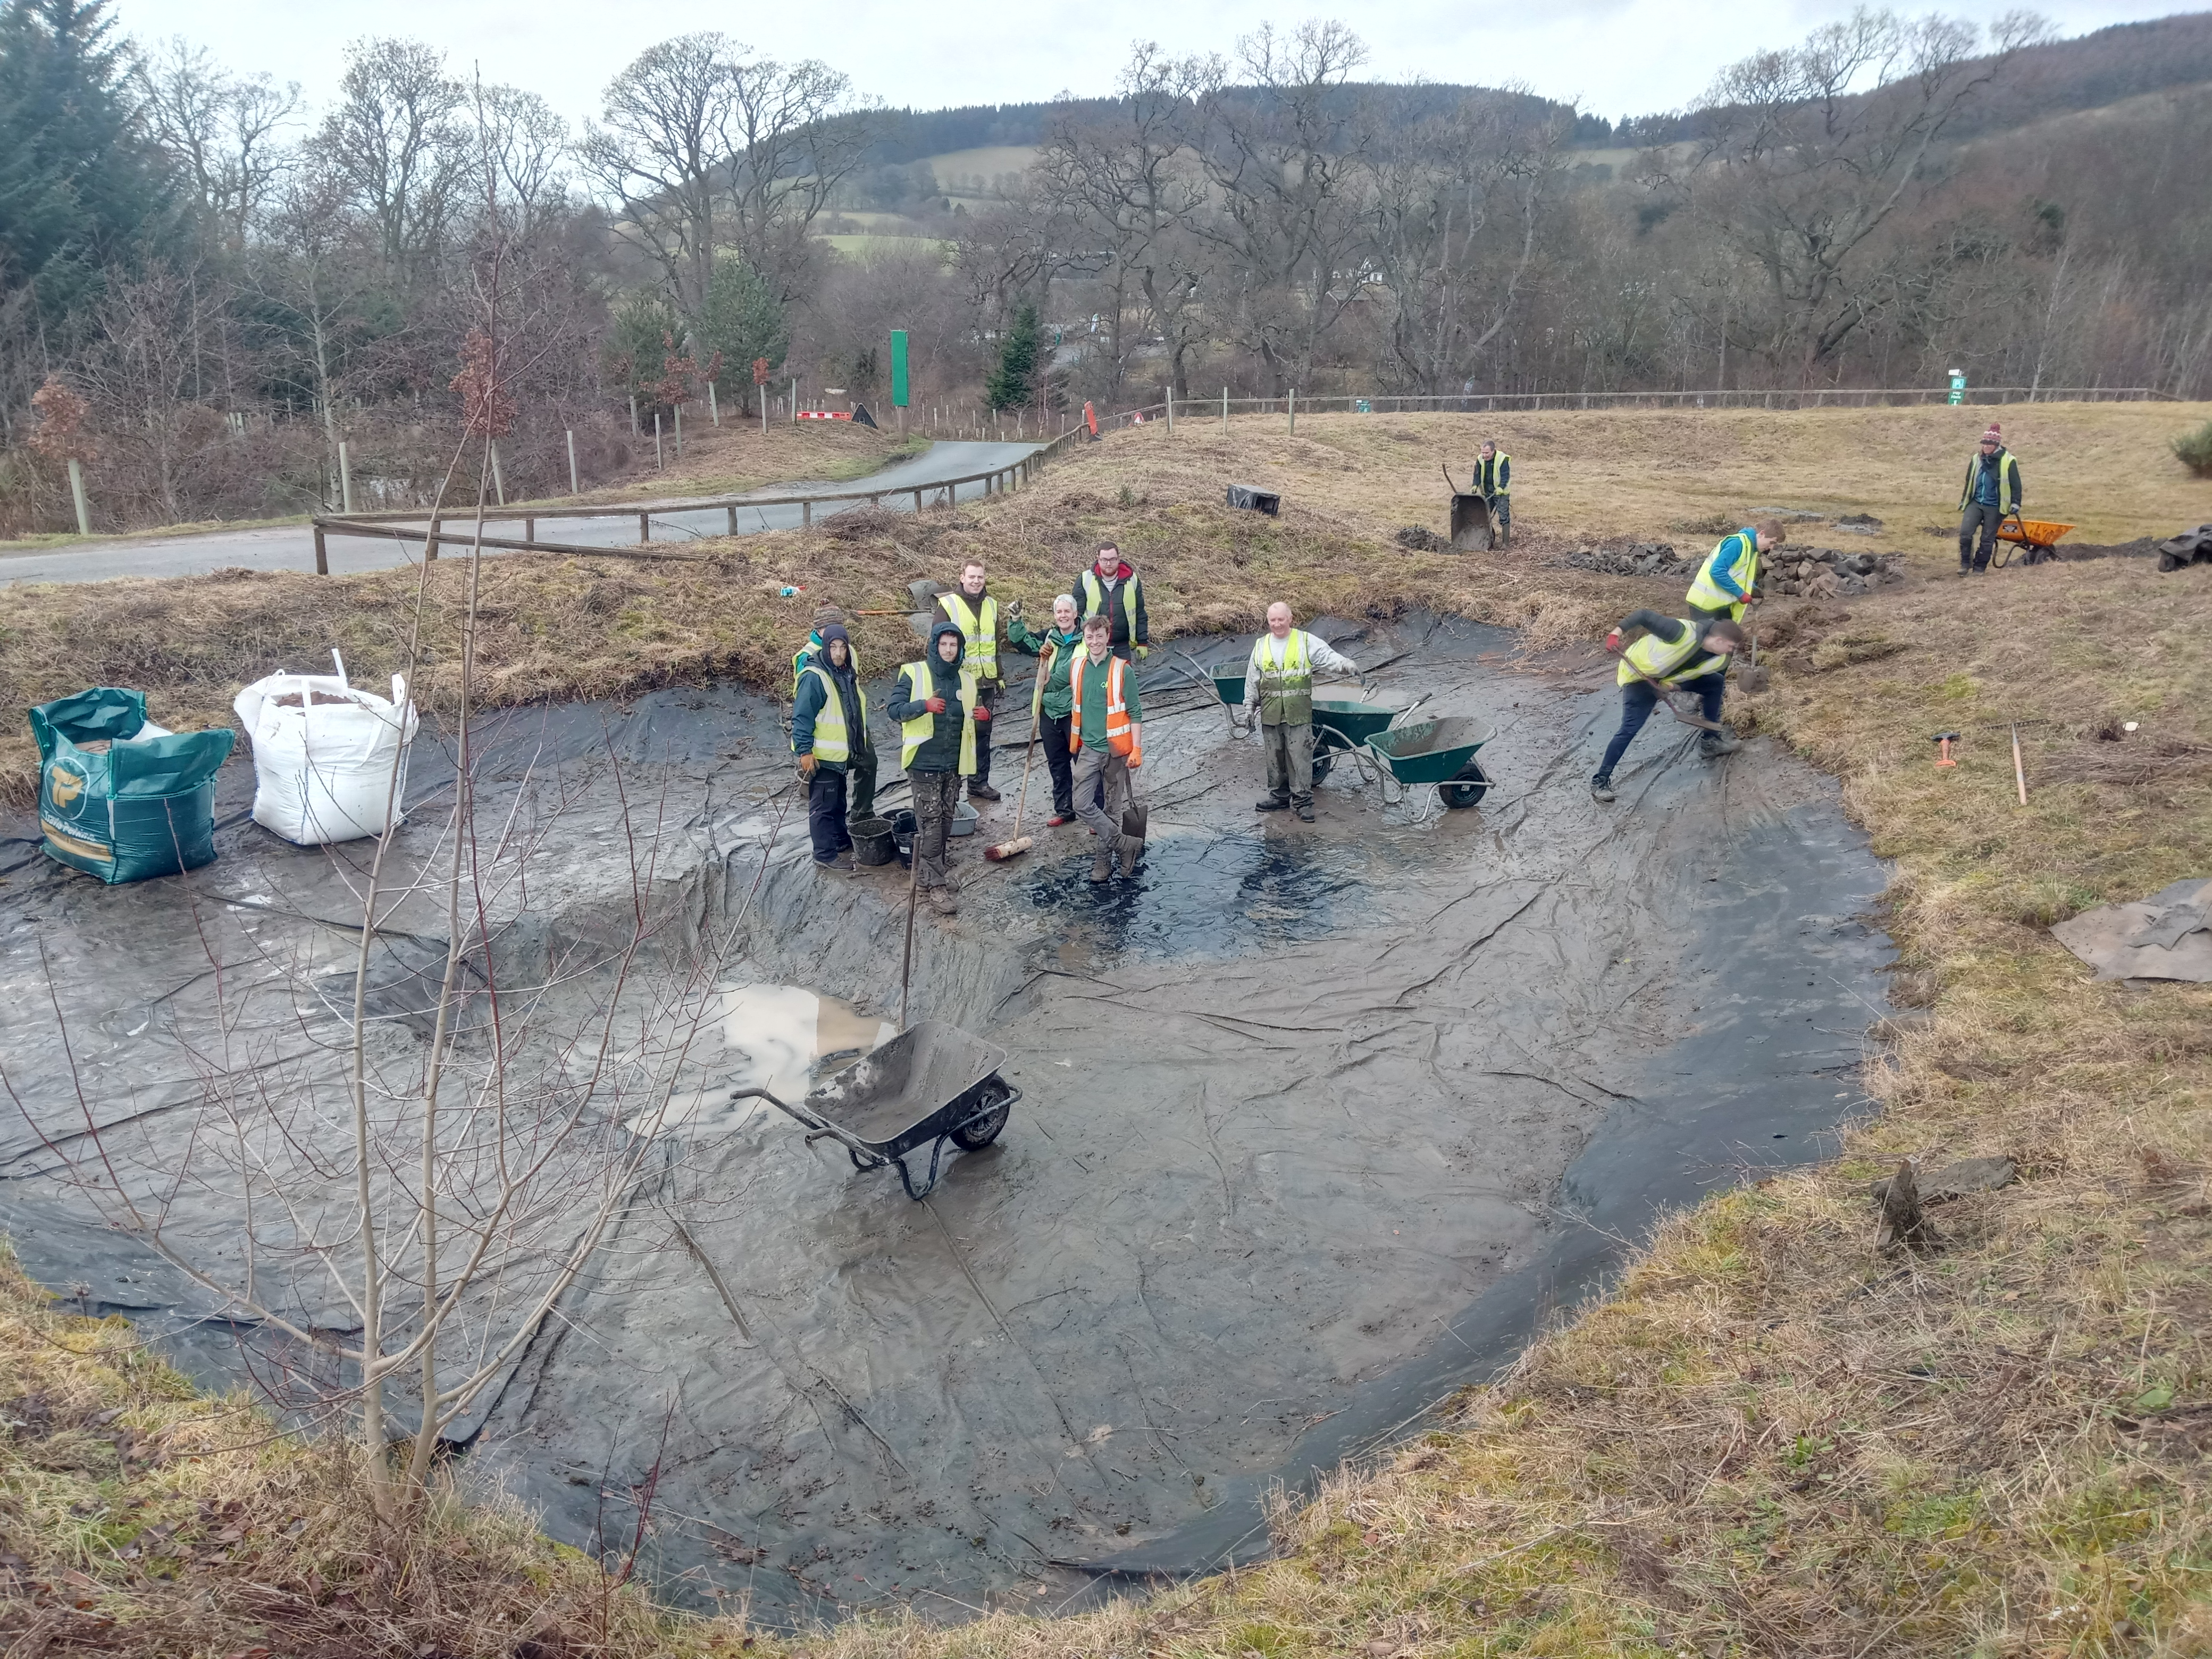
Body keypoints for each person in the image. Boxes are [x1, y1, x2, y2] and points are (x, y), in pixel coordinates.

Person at [1589, 611, 1747, 803]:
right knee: (1630, 729)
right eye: (1730, 646)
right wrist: (1615, 634)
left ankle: (1710, 741)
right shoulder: (1680, 633)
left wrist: (1672, 687)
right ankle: (1600, 781)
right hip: (1638, 676)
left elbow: (1690, 675)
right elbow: (1643, 616)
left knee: (1715, 682)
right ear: (1720, 640)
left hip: (1664, 680)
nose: (1730, 651)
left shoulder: (1718, 658)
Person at [887, 620, 986, 915]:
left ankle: (930, 875)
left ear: (959, 649)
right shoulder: (914, 672)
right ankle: (936, 886)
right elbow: (894, 710)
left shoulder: (966, 680)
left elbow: (971, 718)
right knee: (930, 825)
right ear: (934, 645)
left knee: (945, 821)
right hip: (924, 762)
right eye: (943, 644)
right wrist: (923, 706)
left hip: (953, 763)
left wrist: (984, 716)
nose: (948, 649)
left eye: (953, 645)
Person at [1242, 602, 1359, 823]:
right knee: (1275, 758)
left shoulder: (1304, 641)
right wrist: (1249, 707)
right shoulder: (1261, 645)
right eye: (1272, 620)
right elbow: (1253, 679)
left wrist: (1346, 665)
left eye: (1281, 619)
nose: (1277, 624)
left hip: (1298, 712)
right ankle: (1279, 796)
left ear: (1290, 619)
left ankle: (1303, 802)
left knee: (1300, 758)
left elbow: (1327, 656)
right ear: (1268, 621)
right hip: (1271, 712)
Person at [1068, 614, 1143, 883]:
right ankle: (1125, 845)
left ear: (1107, 637)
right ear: (1085, 639)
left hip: (1116, 752)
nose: (1095, 641)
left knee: (1111, 807)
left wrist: (1137, 748)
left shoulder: (1122, 670)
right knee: (1081, 803)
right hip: (1088, 749)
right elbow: (1051, 683)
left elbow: (1135, 712)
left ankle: (1103, 862)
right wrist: (1043, 656)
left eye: (1100, 636)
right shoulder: (1077, 667)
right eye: (1090, 637)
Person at [791, 625, 866, 870]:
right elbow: (802, 716)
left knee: (837, 802)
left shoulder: (844, 673)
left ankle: (839, 840)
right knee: (822, 807)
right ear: (825, 648)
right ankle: (824, 855)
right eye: (832, 647)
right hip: (821, 757)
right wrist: (805, 751)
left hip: (839, 756)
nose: (838, 653)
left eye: (842, 647)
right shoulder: (815, 677)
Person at [792, 604, 877, 820]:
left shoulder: (848, 650)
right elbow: (806, 707)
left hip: (853, 726)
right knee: (829, 791)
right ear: (818, 630)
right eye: (828, 627)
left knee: (869, 763)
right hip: (828, 733)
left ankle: (862, 814)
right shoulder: (807, 657)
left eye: (837, 626)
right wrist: (805, 749)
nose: (833, 631)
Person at [1006, 592, 1083, 826]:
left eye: (1067, 611)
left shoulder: (1086, 639)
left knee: (1085, 763)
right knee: (1057, 762)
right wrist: (1016, 622)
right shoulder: (1049, 638)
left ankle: (1094, 812)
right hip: (1049, 710)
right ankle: (1065, 810)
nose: (1063, 616)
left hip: (1075, 711)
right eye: (1059, 612)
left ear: (1075, 614)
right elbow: (1022, 643)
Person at [934, 560, 1006, 802]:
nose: (976, 581)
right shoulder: (948, 605)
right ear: (962, 577)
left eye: (981, 577)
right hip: (959, 683)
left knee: (983, 734)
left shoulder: (992, 605)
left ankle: (979, 783)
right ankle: (950, 786)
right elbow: (937, 645)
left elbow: (994, 645)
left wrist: (999, 676)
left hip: (985, 683)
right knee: (955, 733)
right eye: (972, 577)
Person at [1957, 423, 2023, 576]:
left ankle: (1980, 568)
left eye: (1990, 444)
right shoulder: (1976, 459)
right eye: (1984, 443)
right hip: (1976, 503)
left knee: (1987, 539)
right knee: (1965, 533)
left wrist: (2015, 503)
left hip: (1995, 506)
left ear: (1997, 445)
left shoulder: (2008, 460)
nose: (1986, 446)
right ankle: (1965, 563)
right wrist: (1964, 500)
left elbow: (2016, 484)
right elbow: (1970, 481)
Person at [1685, 520, 1783, 622]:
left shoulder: (1752, 549)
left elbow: (1738, 574)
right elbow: (1717, 571)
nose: (1771, 547)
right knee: (1709, 638)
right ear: (1762, 534)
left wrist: (1751, 589)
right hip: (1704, 605)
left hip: (1720, 605)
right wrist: (1740, 594)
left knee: (1727, 636)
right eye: (1772, 543)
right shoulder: (1738, 544)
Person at [1075, 541, 1149, 661]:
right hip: (1094, 646)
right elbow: (1076, 615)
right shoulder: (1085, 580)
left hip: (1122, 646)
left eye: (1113, 559)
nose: (1108, 564)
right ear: (1098, 559)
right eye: (1104, 560)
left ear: (1119, 559)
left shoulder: (1133, 580)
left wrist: (1142, 642)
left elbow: (1140, 613)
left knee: (1122, 679)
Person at [1474, 439, 1512, 549]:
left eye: (1487, 453)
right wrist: (1475, 485)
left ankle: (1505, 544)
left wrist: (1501, 487)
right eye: (1483, 452)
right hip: (1487, 492)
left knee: (1504, 516)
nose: (1484, 455)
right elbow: (1477, 474)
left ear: (1493, 451)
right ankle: (1487, 539)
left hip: (1501, 493)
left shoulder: (1502, 459)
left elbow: (1505, 475)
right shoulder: (1480, 459)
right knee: (1484, 516)